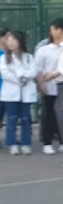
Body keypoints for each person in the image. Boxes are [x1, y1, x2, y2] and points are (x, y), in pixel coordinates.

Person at [0, 31, 37, 155]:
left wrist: (22, 74)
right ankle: (12, 144)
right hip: (11, 93)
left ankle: (26, 144)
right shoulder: (4, 57)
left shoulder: (29, 57)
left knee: (25, 119)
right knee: (11, 119)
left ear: (20, 41)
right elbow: (5, 74)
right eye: (8, 40)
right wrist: (19, 79)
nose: (10, 43)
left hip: (26, 92)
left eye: (13, 40)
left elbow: (33, 72)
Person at [33, 23, 62, 154]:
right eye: (52, 29)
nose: (53, 31)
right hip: (50, 88)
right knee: (50, 115)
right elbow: (38, 69)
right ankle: (47, 142)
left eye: (55, 29)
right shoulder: (43, 50)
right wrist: (41, 84)